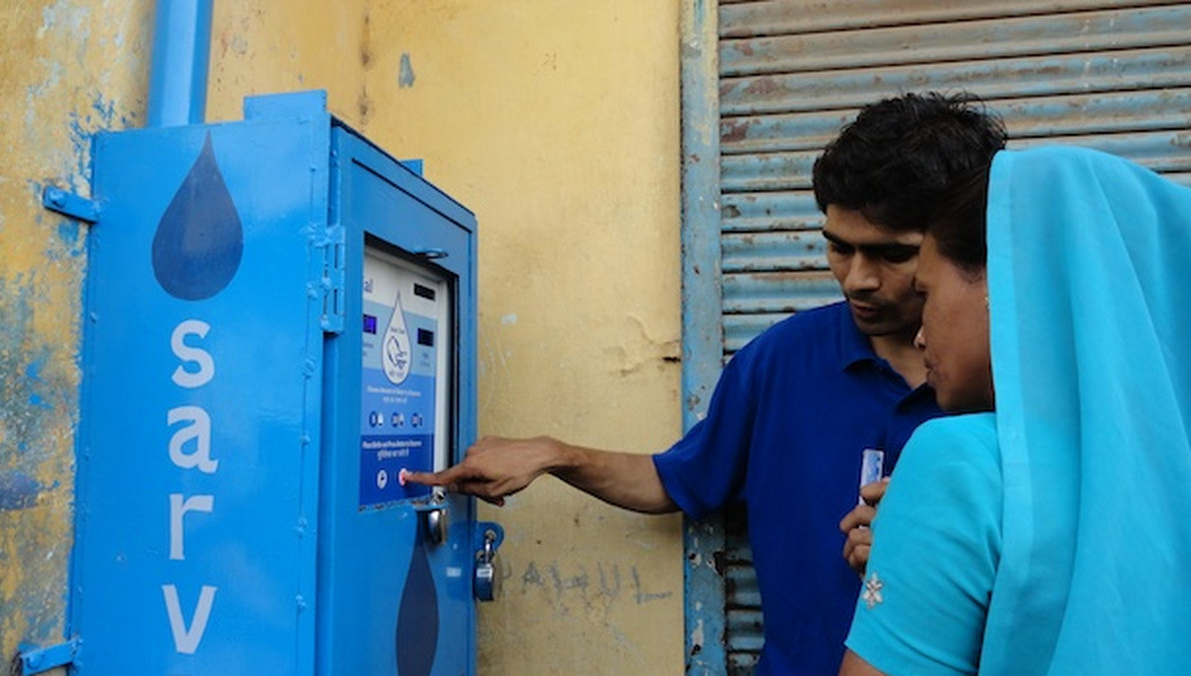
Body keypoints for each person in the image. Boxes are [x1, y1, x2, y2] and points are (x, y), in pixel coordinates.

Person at [408, 92, 1007, 674]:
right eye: (838, 248)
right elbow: (679, 479)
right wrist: (556, 455)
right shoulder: (780, 361)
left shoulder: (1023, 389)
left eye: (890, 255)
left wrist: (924, 561)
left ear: (960, 249)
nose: (856, 279)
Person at [840, 145, 1191, 675]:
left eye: (926, 293)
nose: (918, 335)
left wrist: (921, 539)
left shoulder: (958, 462)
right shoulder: (1166, 467)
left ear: (1001, 288)